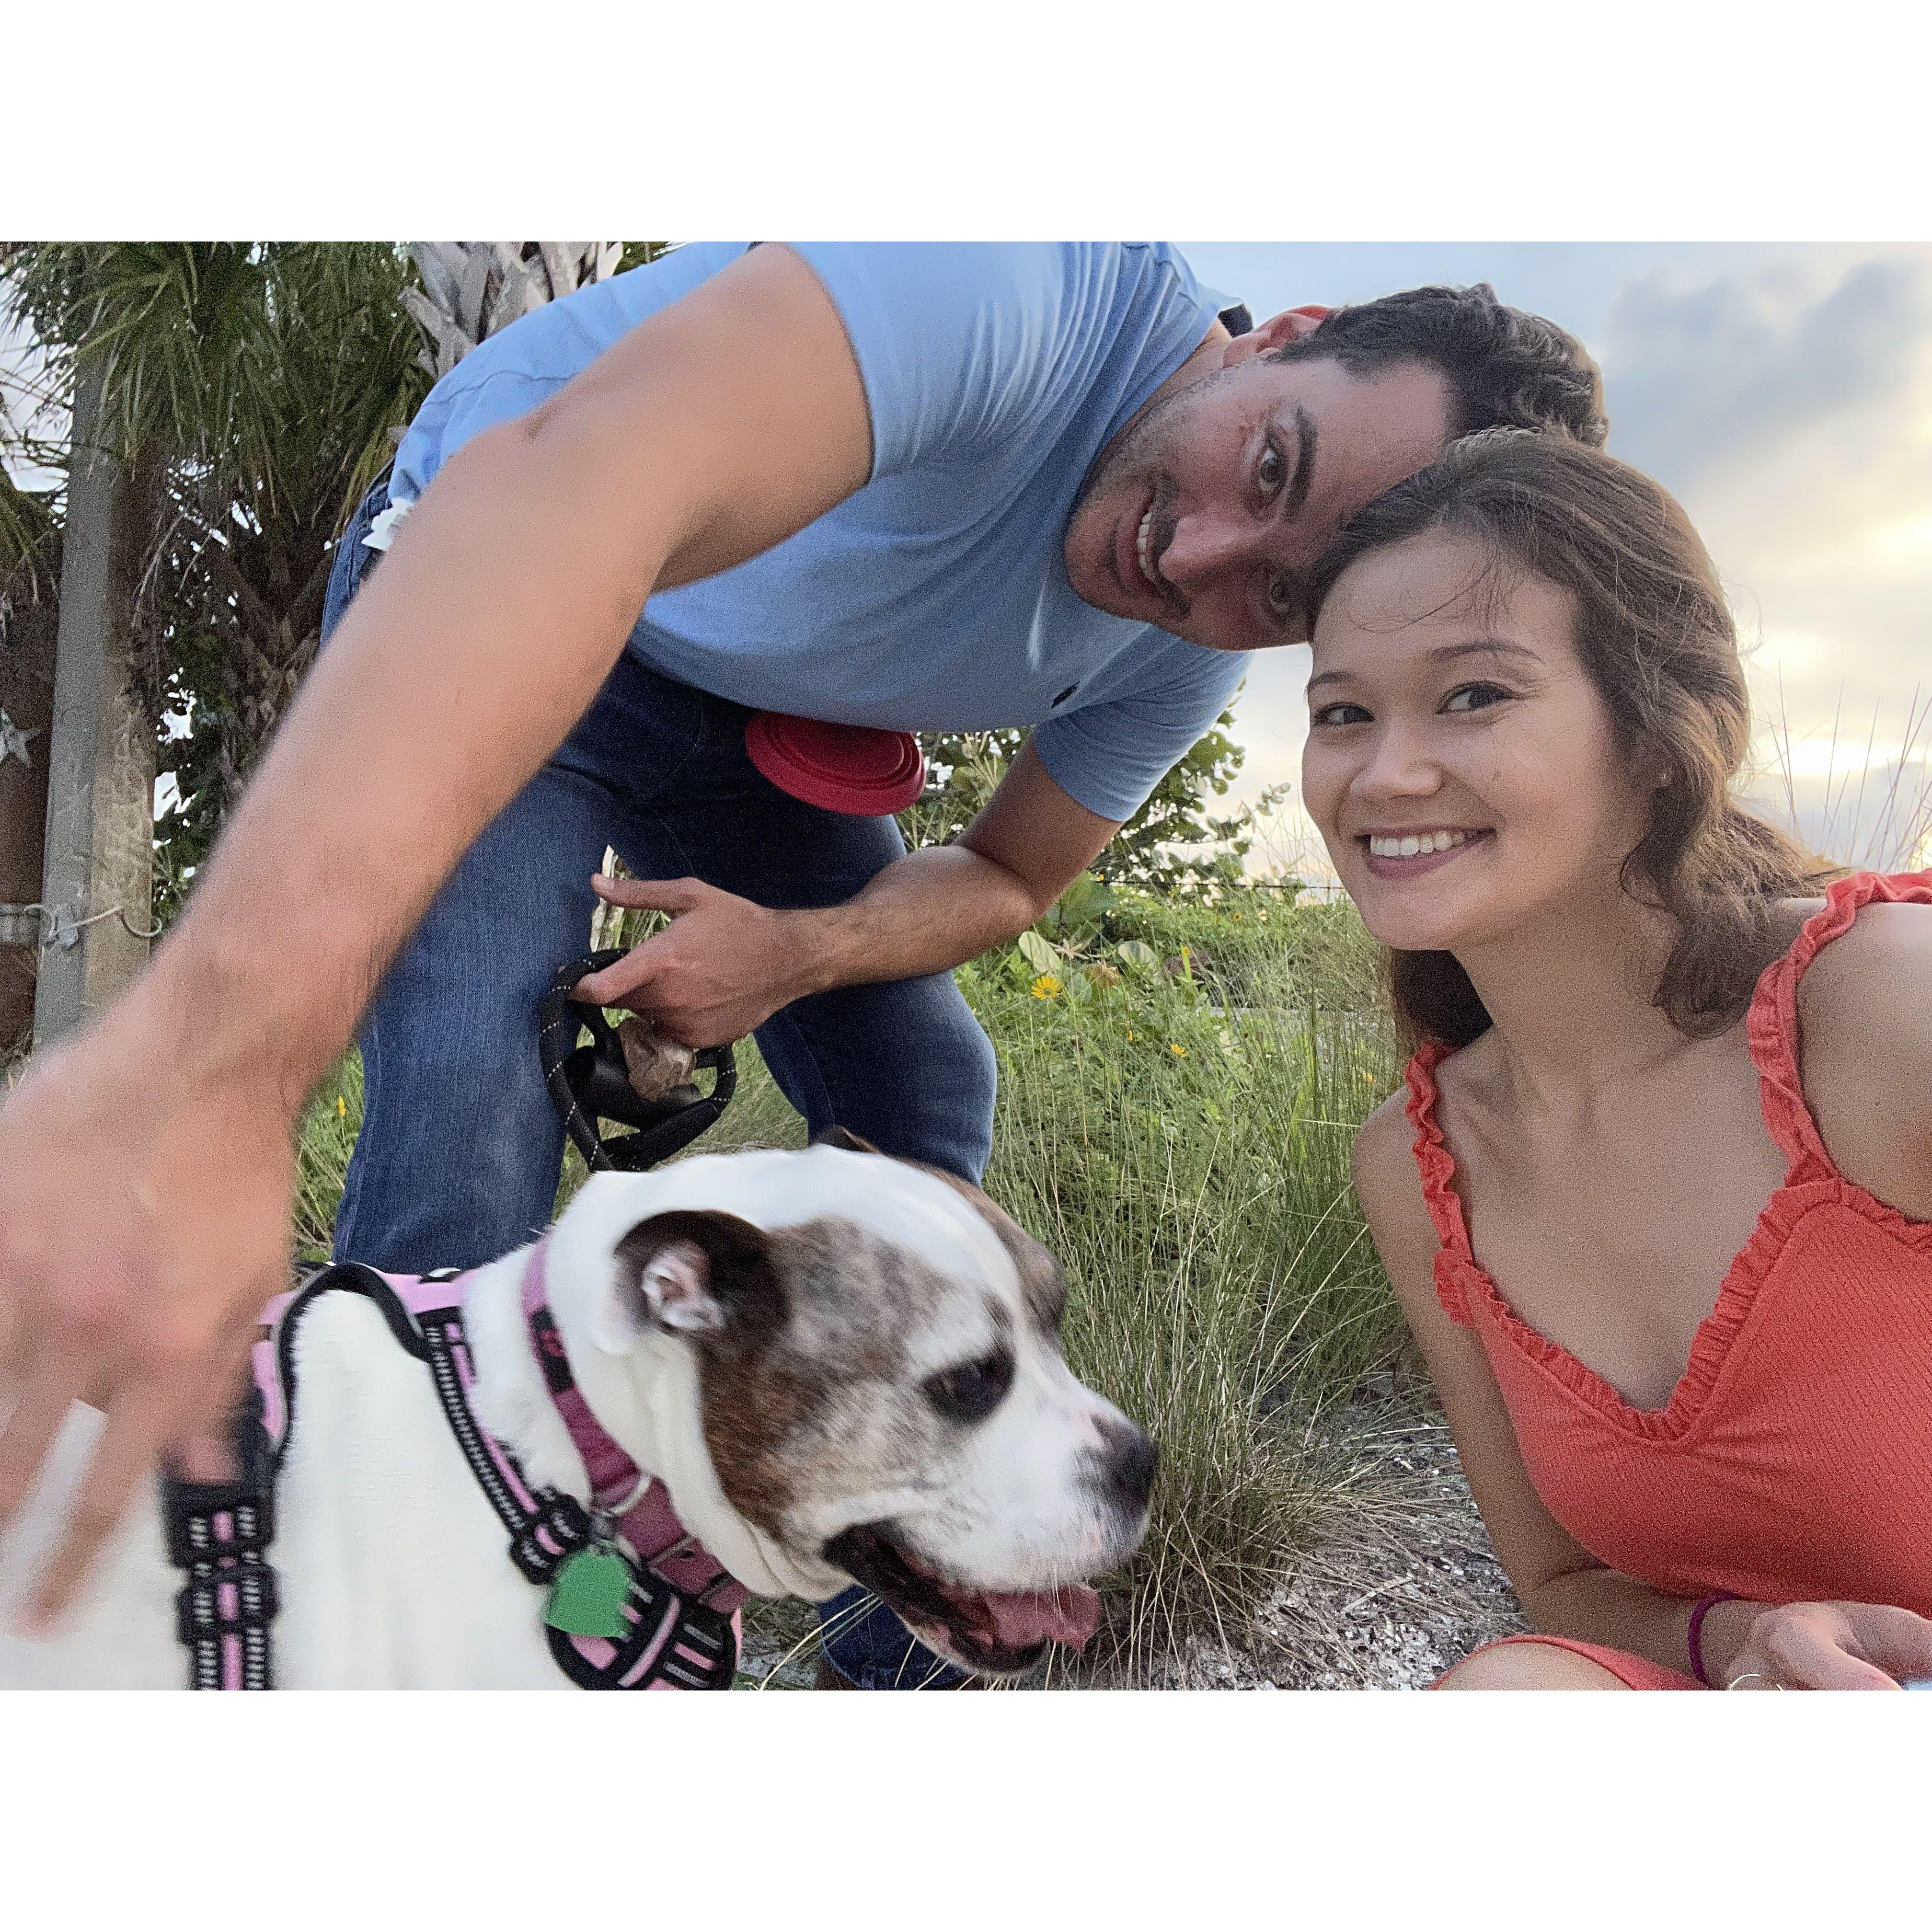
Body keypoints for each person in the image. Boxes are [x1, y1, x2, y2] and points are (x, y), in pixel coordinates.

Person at [0, 245, 1605, 1679]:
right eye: (1268, 461)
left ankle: (898, 1575)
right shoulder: (1012, 280)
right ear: (1288, 333)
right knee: (470, 1104)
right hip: (508, 578)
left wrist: (792, 953)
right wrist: (221, 1074)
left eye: (1284, 590)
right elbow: (565, 491)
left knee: (927, 1075)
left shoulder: (1179, 648)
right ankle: (376, 1608)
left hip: (765, 730)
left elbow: (1008, 872)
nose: (1199, 561)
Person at [1304, 429, 1932, 1689]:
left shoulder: (1878, 1013)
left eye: (1472, 694)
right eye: (1342, 714)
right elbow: (1569, 1589)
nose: (1386, 771)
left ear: (1660, 728)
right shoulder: (1419, 1167)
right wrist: (1750, 1638)